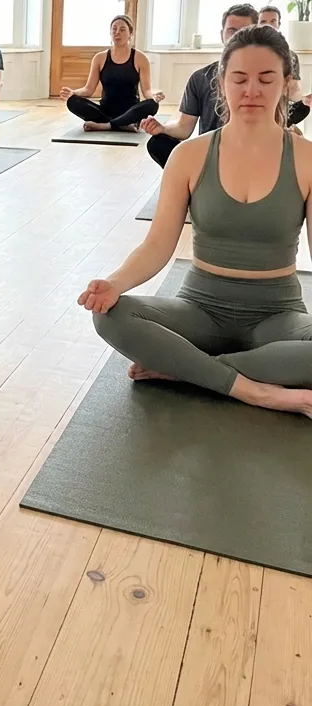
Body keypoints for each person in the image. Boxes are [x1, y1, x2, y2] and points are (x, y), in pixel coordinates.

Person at [79, 23, 312, 418]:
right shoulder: (189, 155)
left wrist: (183, 366)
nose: (251, 90)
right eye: (239, 79)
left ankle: (187, 370)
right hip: (201, 310)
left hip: (278, 314)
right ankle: (257, 391)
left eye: (266, 78)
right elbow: (158, 245)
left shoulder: (306, 158)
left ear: (286, 83)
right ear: (221, 83)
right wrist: (114, 284)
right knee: (110, 317)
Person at [141, 4, 258, 168]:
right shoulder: (201, 77)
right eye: (232, 30)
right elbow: (184, 128)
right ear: (222, 35)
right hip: (210, 158)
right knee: (157, 144)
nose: (237, 36)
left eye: (244, 31)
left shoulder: (267, 79)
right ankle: (196, 186)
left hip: (252, 159)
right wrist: (163, 128)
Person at [60, 15, 163, 132]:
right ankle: (120, 124)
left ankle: (106, 125)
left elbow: (147, 91)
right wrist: (73, 92)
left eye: (122, 29)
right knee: (73, 101)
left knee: (152, 104)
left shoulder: (140, 58)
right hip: (105, 110)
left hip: (131, 112)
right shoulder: (99, 58)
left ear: (130, 33)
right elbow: (88, 89)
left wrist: (154, 96)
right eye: (114, 29)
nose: (117, 32)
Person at [258, 5, 310, 129]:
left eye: (273, 21)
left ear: (279, 24)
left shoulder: (290, 55)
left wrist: (303, 99)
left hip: (280, 109)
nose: (268, 25)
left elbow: (294, 94)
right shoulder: (248, 53)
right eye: (263, 21)